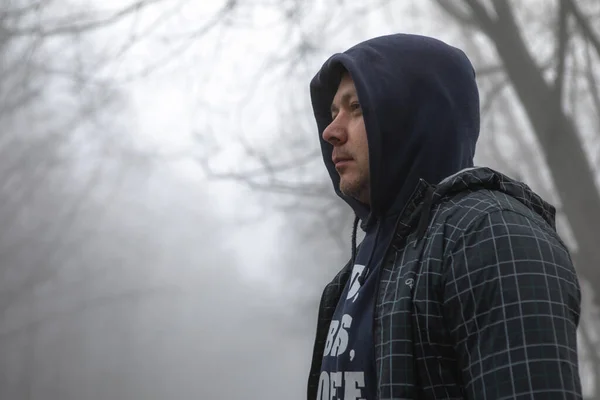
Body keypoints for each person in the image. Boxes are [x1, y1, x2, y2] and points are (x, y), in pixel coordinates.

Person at [307, 34, 582, 400]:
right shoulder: (351, 278)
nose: (331, 132)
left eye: (357, 107)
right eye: (332, 113)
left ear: (416, 115)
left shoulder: (490, 236)